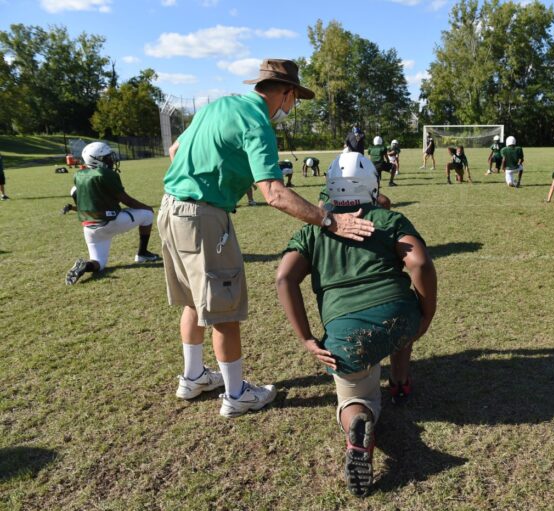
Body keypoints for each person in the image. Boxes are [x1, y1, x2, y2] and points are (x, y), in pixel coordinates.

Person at [158, 59, 375, 419]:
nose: (293, 105)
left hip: (171, 208)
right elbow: (273, 192)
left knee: (195, 301)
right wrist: (329, 220)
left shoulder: (219, 105)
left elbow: (175, 151)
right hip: (203, 216)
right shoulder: (257, 122)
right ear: (287, 93)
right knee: (224, 309)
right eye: (295, 98)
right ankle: (236, 394)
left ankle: (193, 376)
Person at [275, 151, 437, 497]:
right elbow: (420, 264)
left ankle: (359, 424)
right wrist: (425, 314)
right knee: (397, 311)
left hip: (348, 335)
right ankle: (400, 379)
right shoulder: (389, 218)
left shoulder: (312, 232)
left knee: (357, 400)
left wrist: (306, 338)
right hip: (399, 318)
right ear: (372, 186)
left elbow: (284, 279)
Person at [63, 141, 160, 285]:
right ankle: (142, 253)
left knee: (98, 264)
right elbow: (126, 200)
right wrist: (146, 207)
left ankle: (85, 266)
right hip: (111, 222)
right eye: (107, 157)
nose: (111, 160)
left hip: (89, 228)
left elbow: (80, 199)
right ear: (97, 160)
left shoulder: (78, 175)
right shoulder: (105, 173)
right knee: (147, 215)